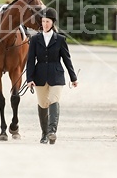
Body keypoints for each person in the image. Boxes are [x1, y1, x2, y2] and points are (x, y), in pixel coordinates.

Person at [26, 7, 78, 144]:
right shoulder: (35, 39)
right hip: (40, 75)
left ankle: (52, 132)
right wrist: (29, 79)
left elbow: (67, 59)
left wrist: (73, 78)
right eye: (43, 21)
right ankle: (44, 133)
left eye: (47, 21)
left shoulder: (60, 39)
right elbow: (30, 60)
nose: (45, 24)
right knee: (43, 104)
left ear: (53, 22)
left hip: (56, 75)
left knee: (53, 100)